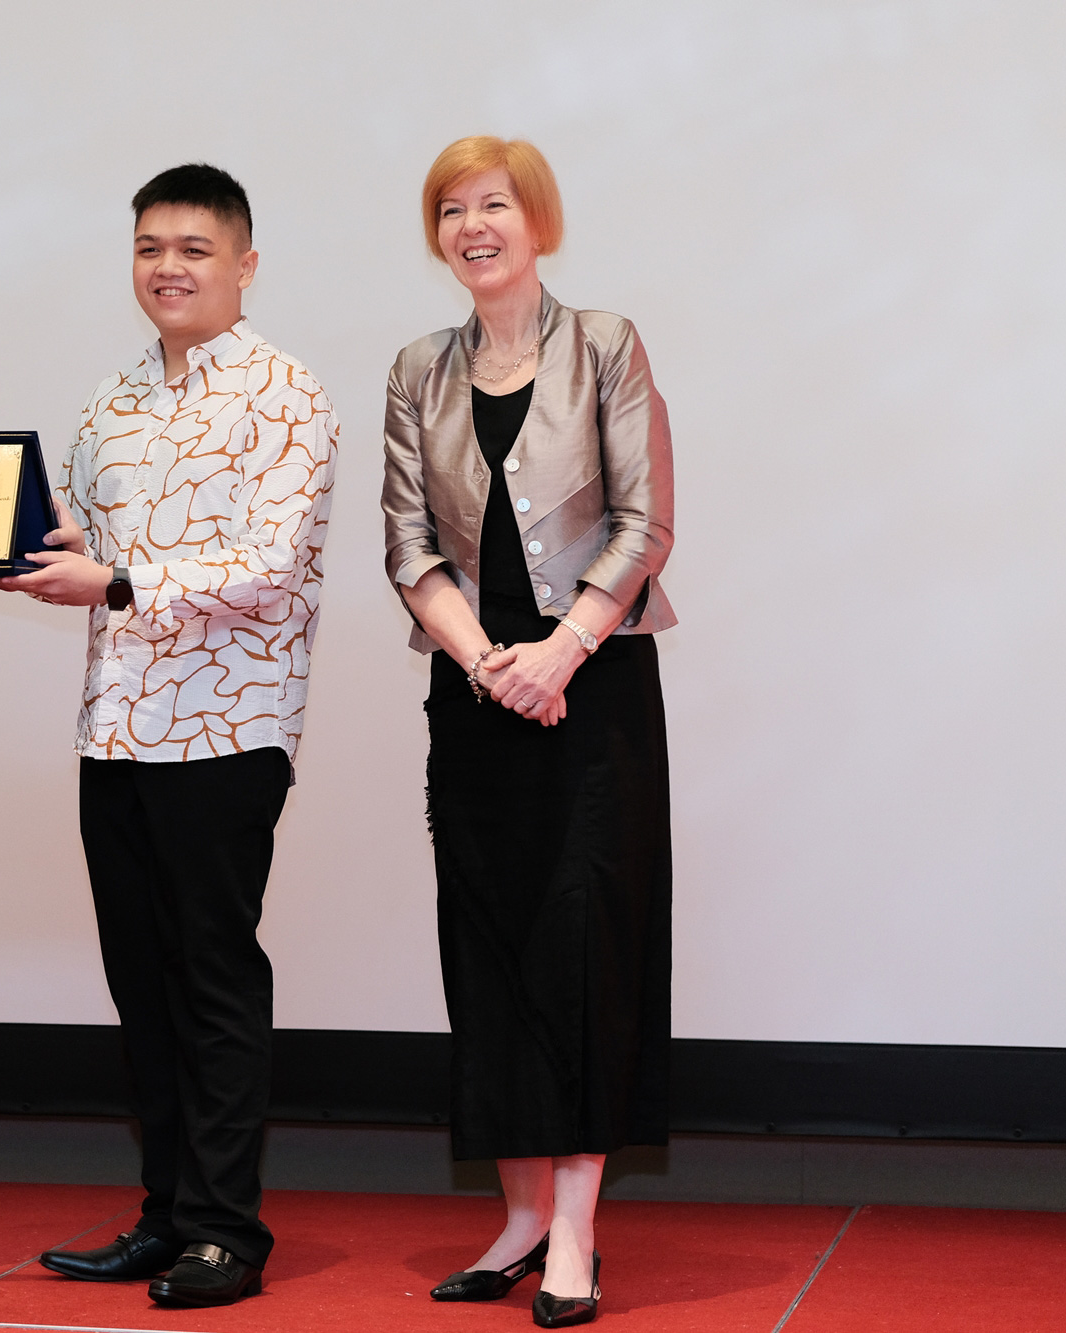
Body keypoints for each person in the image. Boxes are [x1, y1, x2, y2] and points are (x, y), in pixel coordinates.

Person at [0, 164, 337, 1309]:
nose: (167, 266)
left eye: (193, 247)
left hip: (228, 732)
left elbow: (268, 563)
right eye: (148, 246)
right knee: (141, 984)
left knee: (212, 979)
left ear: (243, 264)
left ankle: (226, 1232)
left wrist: (116, 577)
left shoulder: (286, 392)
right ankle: (163, 1214)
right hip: (115, 733)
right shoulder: (109, 403)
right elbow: (72, 544)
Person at [381, 136, 675, 1329]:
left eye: (491, 204)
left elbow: (643, 520)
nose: (471, 226)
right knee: (489, 942)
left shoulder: (602, 340)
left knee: (584, 953)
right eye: (450, 210)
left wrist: (558, 653)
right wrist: (486, 662)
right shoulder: (415, 368)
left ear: (535, 220)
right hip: (477, 690)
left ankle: (573, 1232)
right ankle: (513, 1219)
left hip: (590, 690)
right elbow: (408, 545)